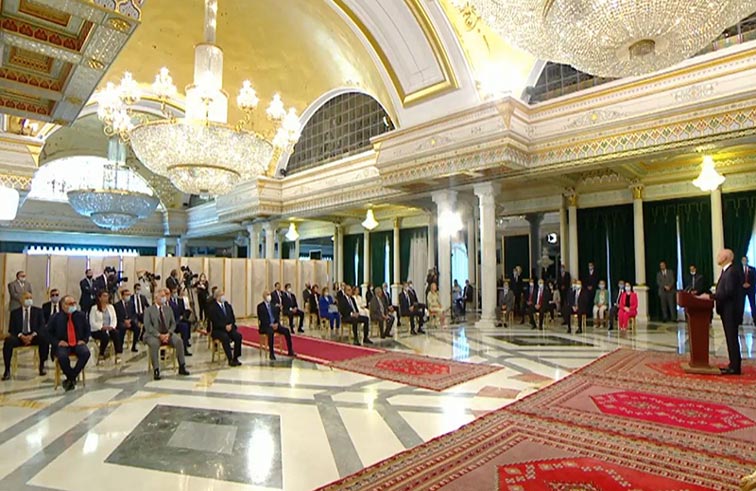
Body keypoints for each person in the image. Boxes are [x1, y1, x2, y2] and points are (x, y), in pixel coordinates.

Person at [143, 288, 190, 380]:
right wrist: (159, 335)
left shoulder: (168, 309)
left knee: (179, 341)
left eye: (164, 296)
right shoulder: (149, 310)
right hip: (153, 335)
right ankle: (156, 369)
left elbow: (173, 323)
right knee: (154, 344)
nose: (164, 298)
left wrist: (169, 333)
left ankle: (182, 366)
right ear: (156, 298)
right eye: (162, 296)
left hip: (168, 333)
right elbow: (148, 326)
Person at [48, 295, 91, 391]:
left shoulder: (81, 315)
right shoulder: (55, 317)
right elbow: (48, 334)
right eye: (70, 304)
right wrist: (58, 342)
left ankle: (71, 377)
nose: (73, 305)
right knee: (62, 356)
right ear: (63, 305)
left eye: (74, 303)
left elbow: (87, 330)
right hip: (63, 344)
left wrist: (84, 340)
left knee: (85, 353)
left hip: (77, 343)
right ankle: (72, 377)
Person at [2, 292, 49, 380]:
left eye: (30, 298)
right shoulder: (15, 313)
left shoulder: (38, 311)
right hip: (20, 337)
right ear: (21, 300)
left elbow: (42, 327)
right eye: (27, 298)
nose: (29, 300)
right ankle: (7, 370)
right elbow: (11, 329)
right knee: (8, 341)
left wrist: (32, 335)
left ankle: (42, 365)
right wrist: (21, 336)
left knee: (44, 339)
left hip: (34, 336)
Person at [710, 249, 742, 375]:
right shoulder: (726, 271)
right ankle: (733, 363)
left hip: (731, 311)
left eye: (720, 255)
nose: (717, 256)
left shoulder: (731, 271)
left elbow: (728, 292)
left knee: (732, 338)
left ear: (727, 257)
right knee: (730, 338)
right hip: (726, 310)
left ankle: (735, 367)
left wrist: (711, 296)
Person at [208, 289, 244, 366]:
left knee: (238, 336)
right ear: (217, 297)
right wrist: (224, 326)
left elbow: (232, 318)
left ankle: (235, 357)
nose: (223, 297)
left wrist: (230, 325)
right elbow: (215, 321)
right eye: (221, 295)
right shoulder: (213, 308)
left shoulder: (228, 305)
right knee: (225, 338)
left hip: (230, 328)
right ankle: (230, 359)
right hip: (218, 330)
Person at [257, 290, 295, 360]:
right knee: (270, 332)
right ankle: (271, 353)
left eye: (269, 294)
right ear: (264, 296)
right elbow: (261, 319)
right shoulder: (260, 306)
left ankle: (290, 351)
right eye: (267, 295)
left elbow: (276, 317)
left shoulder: (273, 306)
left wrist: (277, 323)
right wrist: (270, 325)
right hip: (266, 326)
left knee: (286, 331)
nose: (269, 296)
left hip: (275, 325)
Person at [89, 290, 123, 362]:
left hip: (109, 328)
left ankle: (118, 354)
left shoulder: (111, 307)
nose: (106, 298)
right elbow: (92, 322)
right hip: (98, 330)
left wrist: (112, 326)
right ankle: (101, 354)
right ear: (99, 298)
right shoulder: (94, 308)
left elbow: (114, 319)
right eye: (104, 296)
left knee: (116, 333)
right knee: (105, 337)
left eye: (107, 296)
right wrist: (101, 327)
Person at [115, 288, 140, 353]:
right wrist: (124, 321)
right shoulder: (117, 305)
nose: (128, 296)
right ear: (122, 296)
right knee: (122, 328)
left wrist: (130, 320)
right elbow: (116, 316)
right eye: (126, 295)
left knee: (137, 328)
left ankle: (134, 346)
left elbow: (134, 314)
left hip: (130, 321)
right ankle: (120, 347)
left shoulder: (131, 304)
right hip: (121, 322)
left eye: (129, 295)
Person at [168, 288, 191, 355]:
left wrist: (182, 317)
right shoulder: (167, 303)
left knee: (185, 326)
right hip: (169, 324)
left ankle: (184, 348)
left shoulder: (180, 301)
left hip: (178, 321)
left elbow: (183, 311)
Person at [742, 256, 756, 325]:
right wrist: (742, 284)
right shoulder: (739, 270)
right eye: (743, 260)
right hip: (742, 290)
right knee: (741, 305)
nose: (745, 261)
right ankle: (740, 320)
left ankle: (755, 319)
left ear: (748, 261)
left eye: (746, 260)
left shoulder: (753, 269)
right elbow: (737, 279)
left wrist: (749, 284)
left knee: (752, 304)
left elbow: (754, 279)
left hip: (751, 289)